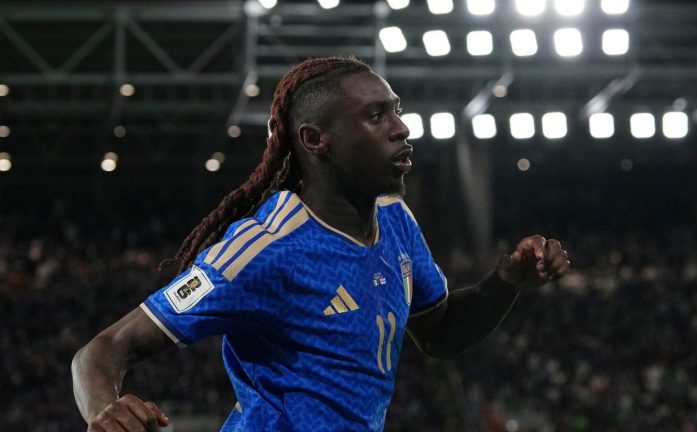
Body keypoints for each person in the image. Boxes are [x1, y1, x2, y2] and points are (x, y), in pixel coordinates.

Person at [72, 56, 570, 432]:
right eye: (376, 116)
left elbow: (437, 335)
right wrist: (105, 410)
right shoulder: (263, 250)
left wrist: (506, 283)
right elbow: (105, 348)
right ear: (315, 140)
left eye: (395, 110)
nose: (401, 127)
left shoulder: (394, 218)